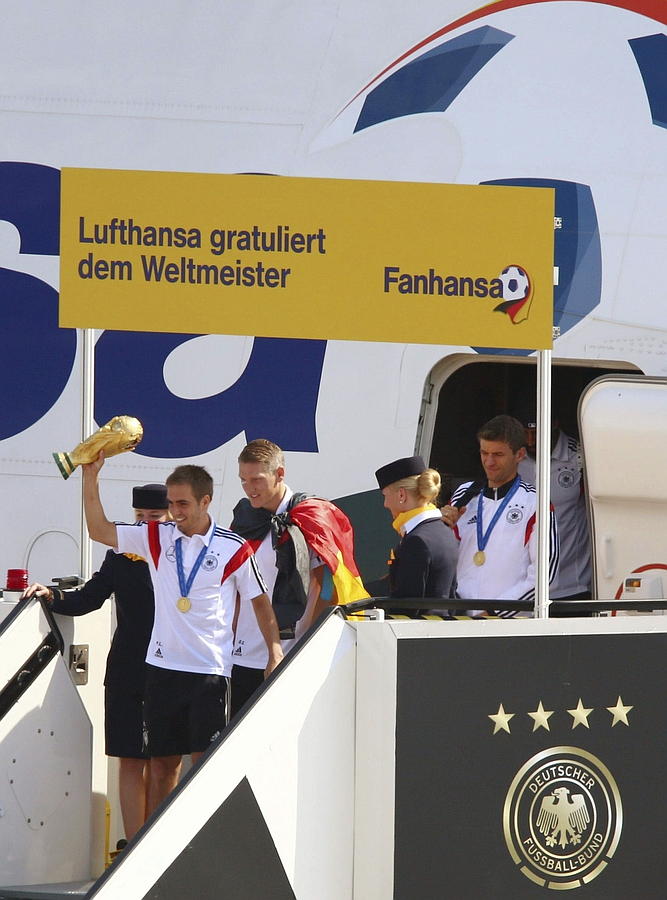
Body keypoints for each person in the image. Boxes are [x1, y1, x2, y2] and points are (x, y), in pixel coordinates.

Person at [81, 454, 283, 813]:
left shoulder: (232, 547)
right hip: (161, 669)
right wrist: (91, 477)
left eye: (183, 503)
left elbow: (260, 602)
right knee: (162, 767)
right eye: (171, 503)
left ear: (206, 501)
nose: (175, 511)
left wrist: (274, 651)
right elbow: (99, 530)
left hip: (209, 672)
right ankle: (155, 853)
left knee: (205, 767)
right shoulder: (156, 538)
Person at [23, 483, 169, 841]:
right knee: (130, 758)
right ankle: (134, 844)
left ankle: (160, 841)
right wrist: (52, 595)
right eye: (140, 517)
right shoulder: (121, 554)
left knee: (165, 762)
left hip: (171, 668)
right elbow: (90, 598)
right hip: (128, 667)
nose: (146, 524)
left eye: (155, 517)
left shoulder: (184, 553)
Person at [230, 438, 368, 718]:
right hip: (239, 654)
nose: (248, 489)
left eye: (256, 480)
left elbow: (329, 587)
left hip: (288, 653)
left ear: (279, 474)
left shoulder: (309, 516)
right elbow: (235, 585)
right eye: (243, 480)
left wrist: (305, 647)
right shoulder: (244, 517)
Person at [444, 415, 559, 615]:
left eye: (498, 454)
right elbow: (446, 558)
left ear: (520, 454)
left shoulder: (535, 503)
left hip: (509, 624)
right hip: (460, 619)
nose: (489, 462)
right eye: (484, 453)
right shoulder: (464, 495)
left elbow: (545, 574)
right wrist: (442, 529)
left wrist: (495, 613)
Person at [514, 406, 592, 609]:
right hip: (521, 587)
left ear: (555, 423)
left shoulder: (580, 458)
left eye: (536, 432)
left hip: (571, 586)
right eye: (525, 433)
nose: (530, 441)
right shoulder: (513, 458)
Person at [375, 455, 457, 610]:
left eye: (385, 496)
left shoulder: (417, 541)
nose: (385, 504)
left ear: (401, 495)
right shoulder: (445, 532)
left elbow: (406, 605)